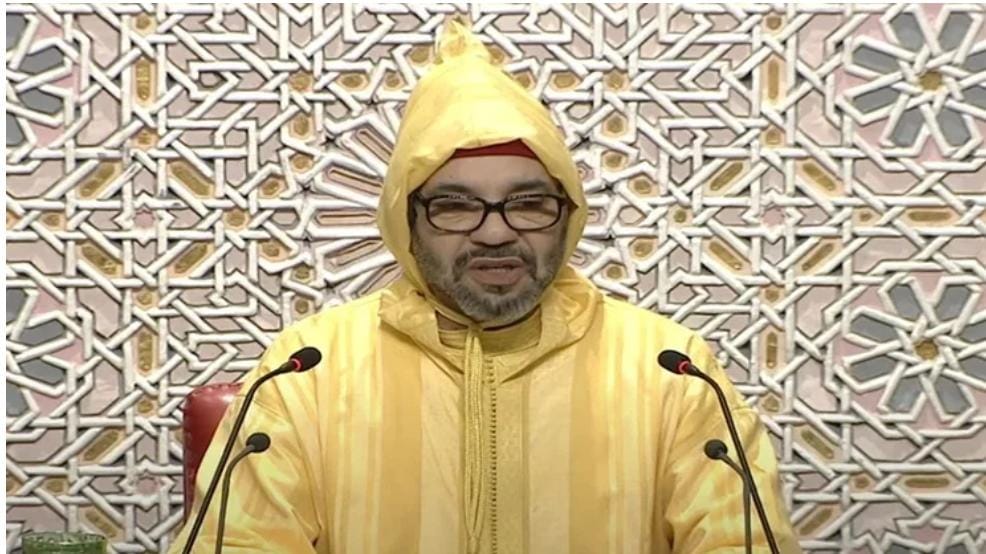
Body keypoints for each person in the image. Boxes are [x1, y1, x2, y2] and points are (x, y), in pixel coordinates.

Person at [170, 18, 801, 554]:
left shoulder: (672, 371)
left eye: (527, 204)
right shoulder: (309, 370)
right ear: (406, 223)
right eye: (454, 205)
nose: (495, 233)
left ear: (568, 216)